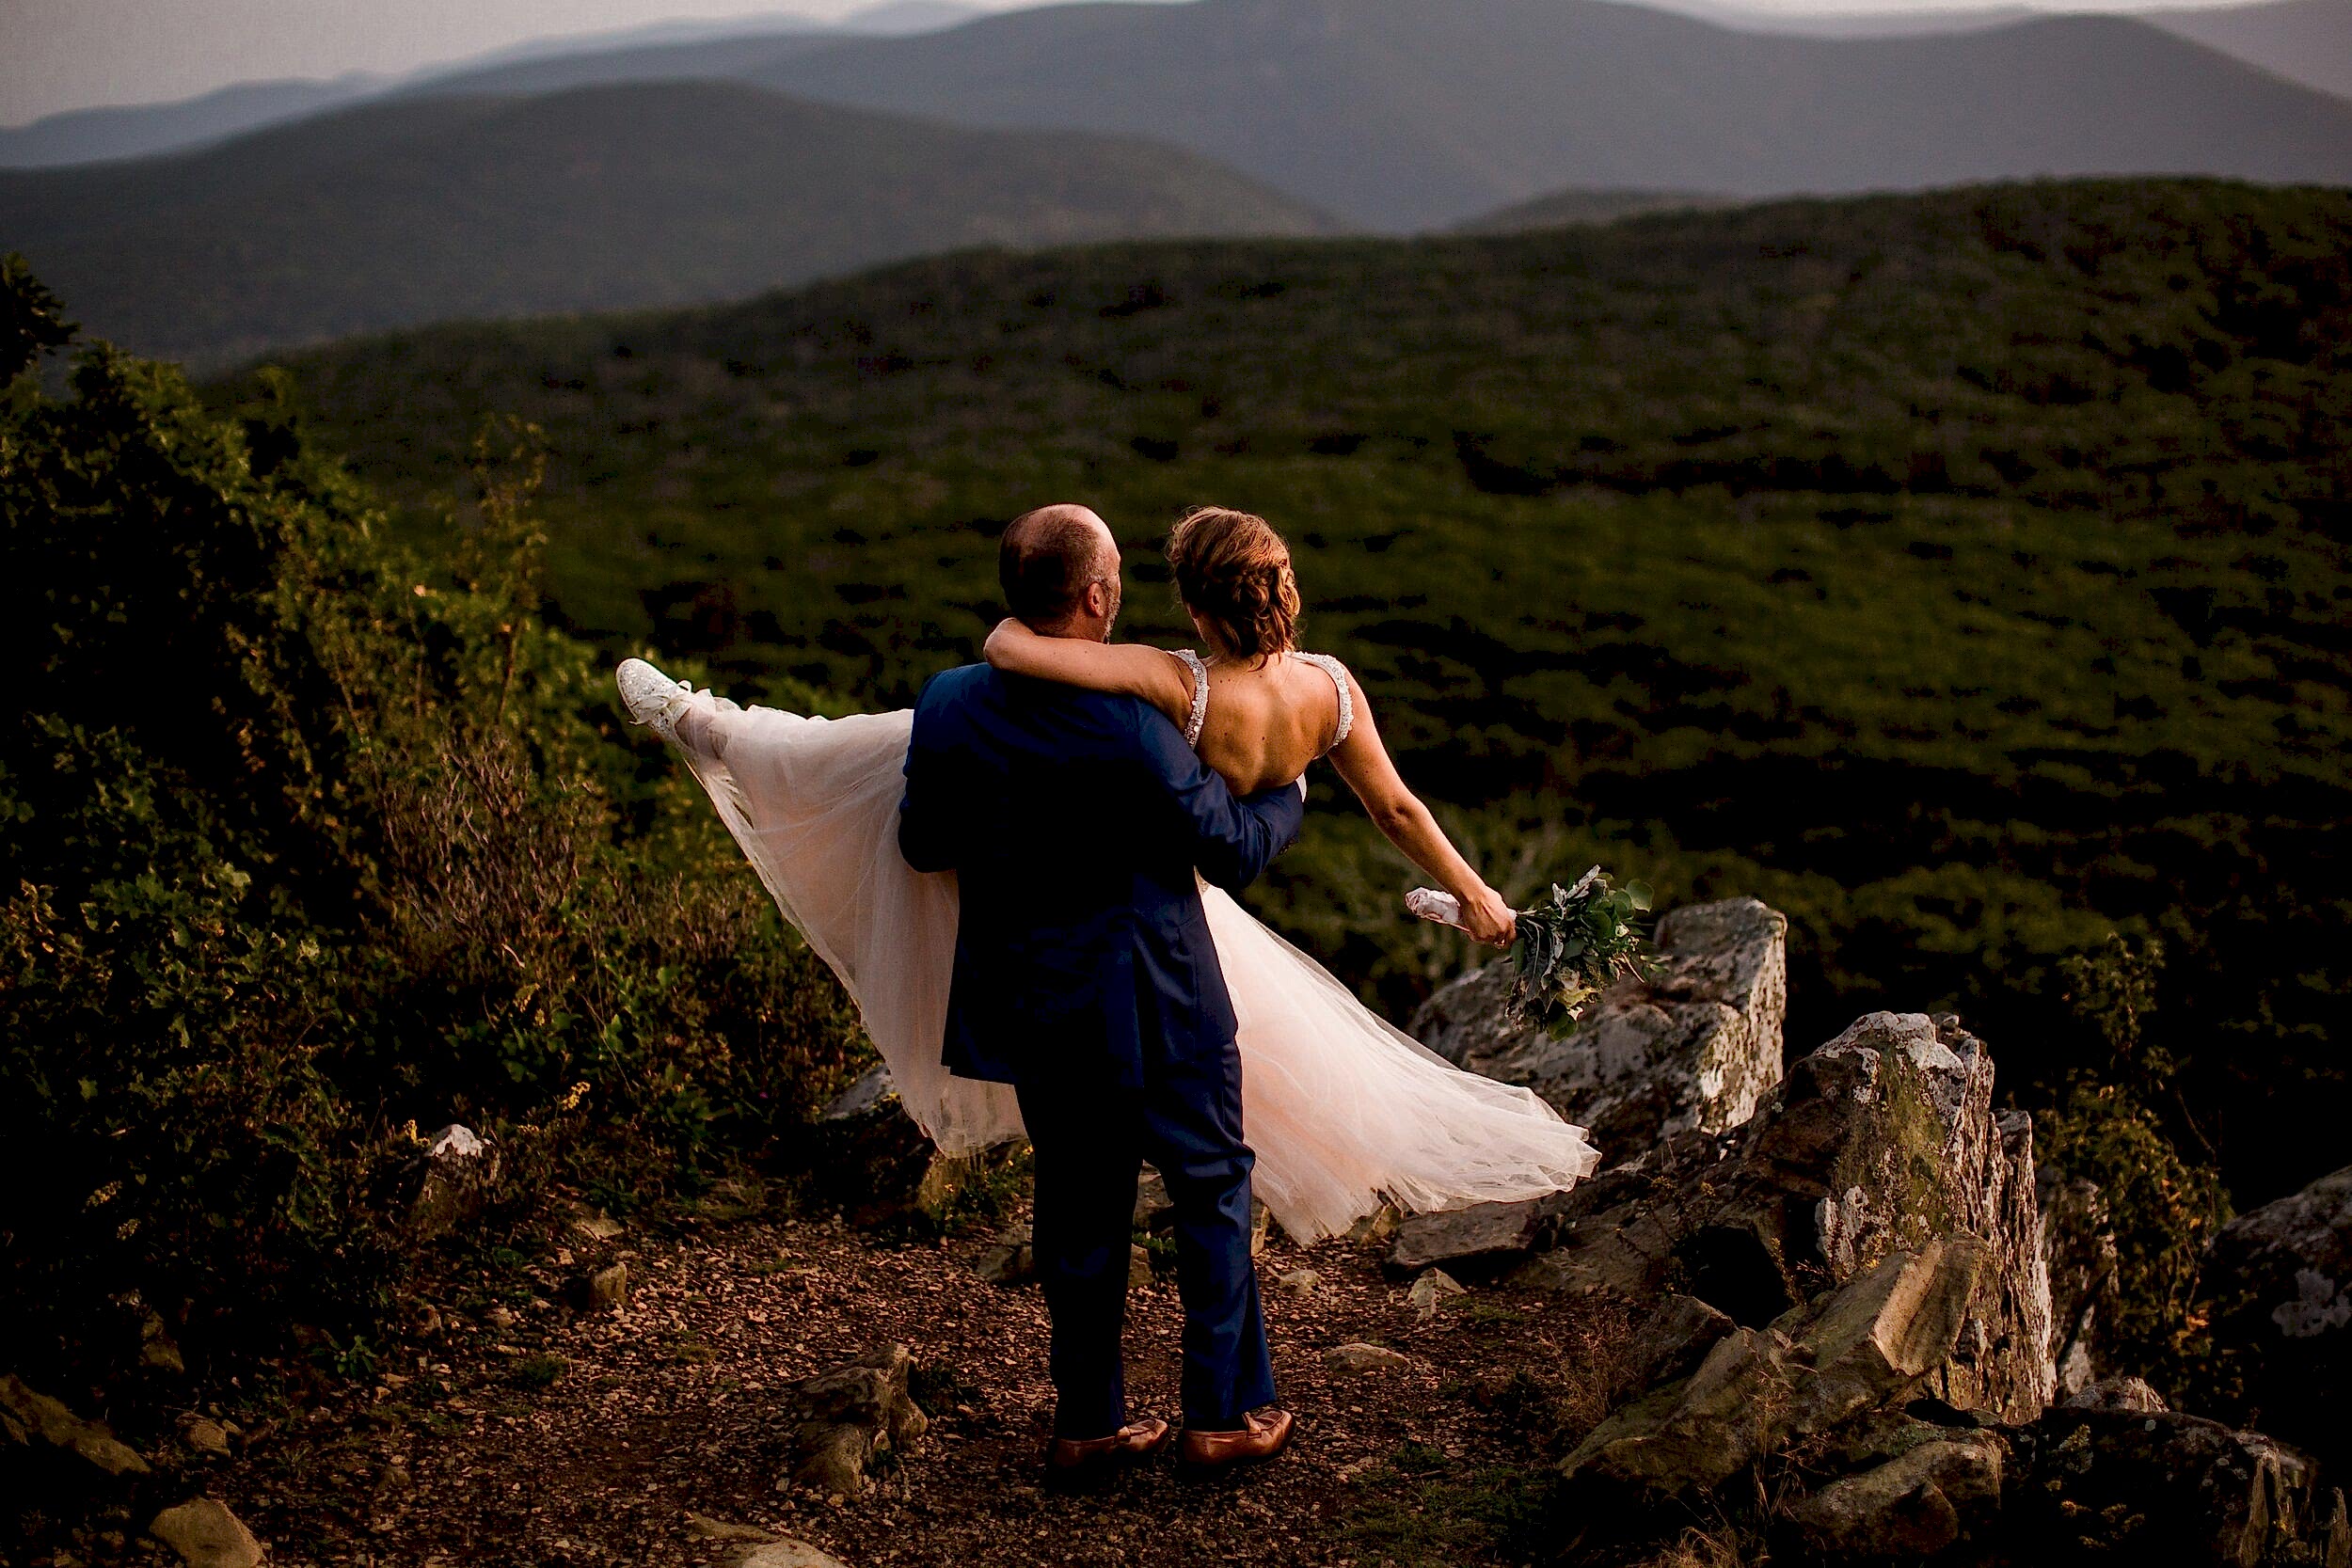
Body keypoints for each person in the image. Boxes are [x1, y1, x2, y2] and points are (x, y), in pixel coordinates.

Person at [614, 502, 1603, 1474]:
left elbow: (920, 841)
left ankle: (1088, 1422)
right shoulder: (1145, 721)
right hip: (1162, 993)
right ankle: (1223, 1413)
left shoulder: (953, 701)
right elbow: (1229, 844)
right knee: (1211, 1188)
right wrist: (1290, 795)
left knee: (1078, 1206)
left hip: (1031, 998)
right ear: (1100, 595)